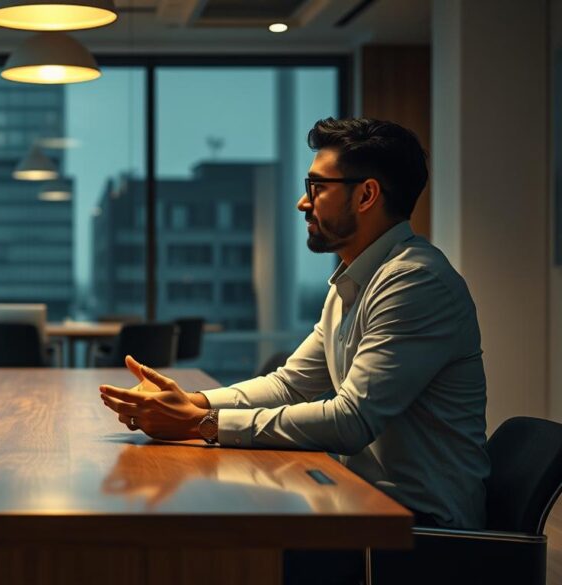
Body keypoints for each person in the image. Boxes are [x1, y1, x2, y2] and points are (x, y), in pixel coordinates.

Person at [98, 118, 489, 584]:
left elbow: (351, 420)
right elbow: (292, 384)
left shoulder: (414, 281)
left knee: (221, 542)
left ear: (366, 195)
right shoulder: (354, 280)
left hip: (417, 533)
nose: (303, 201)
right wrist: (192, 402)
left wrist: (202, 424)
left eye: (317, 187)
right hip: (364, 506)